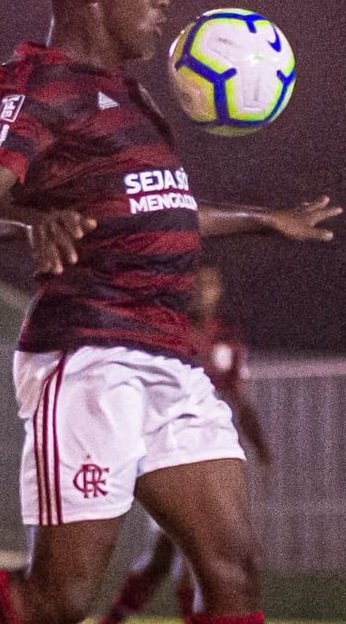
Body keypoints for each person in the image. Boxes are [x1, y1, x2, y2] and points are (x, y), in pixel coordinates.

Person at [0, 0, 340, 624]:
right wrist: (30, 221)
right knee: (58, 601)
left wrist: (262, 219)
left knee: (233, 568)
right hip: (91, 354)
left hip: (169, 359)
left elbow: (158, 211)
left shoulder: (134, 99)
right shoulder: (38, 84)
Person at [100, 265, 274, 624]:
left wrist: (261, 449)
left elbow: (240, 399)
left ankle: (113, 618)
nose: (203, 290)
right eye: (198, 283)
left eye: (211, 284)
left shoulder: (225, 338)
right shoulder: (165, 328)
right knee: (189, 551)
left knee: (176, 555)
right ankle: (116, 617)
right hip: (163, 451)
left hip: (210, 452)